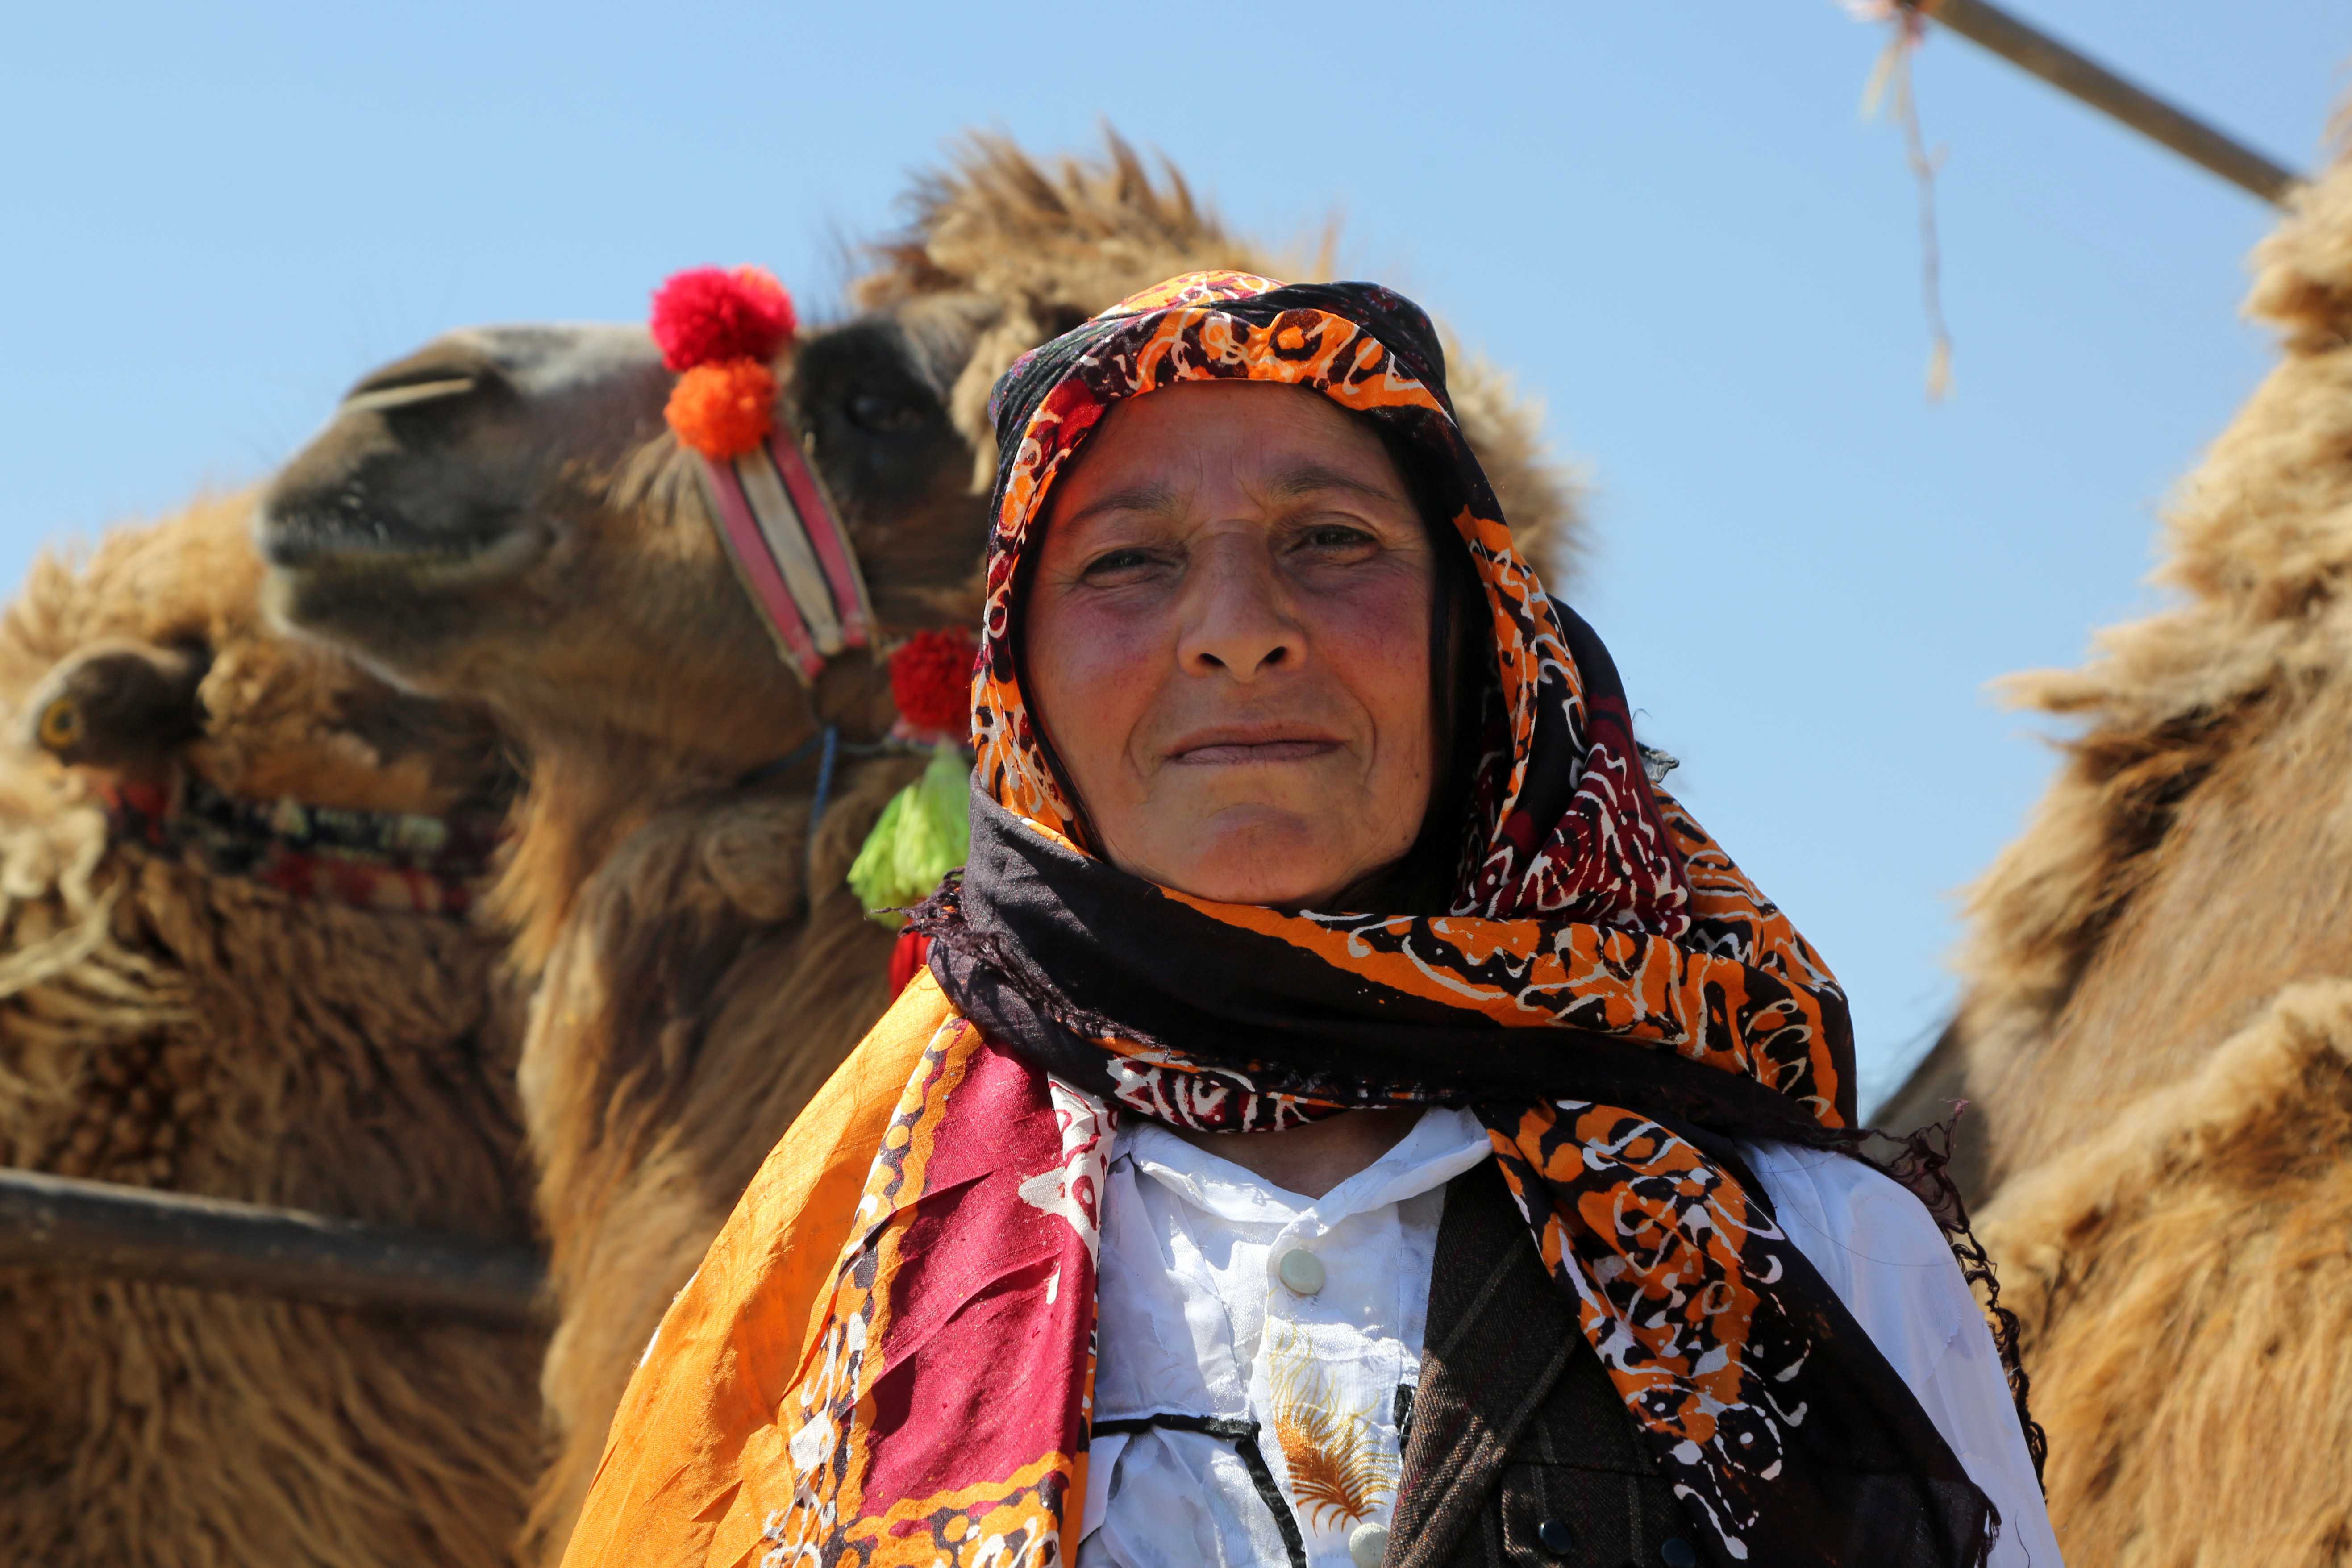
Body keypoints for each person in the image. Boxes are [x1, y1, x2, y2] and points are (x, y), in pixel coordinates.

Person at [560, 272, 2059, 1568]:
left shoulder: (1812, 1254)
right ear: (1020, 689)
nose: (1236, 625)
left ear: (1479, 645)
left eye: (1330, 540)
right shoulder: (825, 1283)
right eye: (1130, 561)